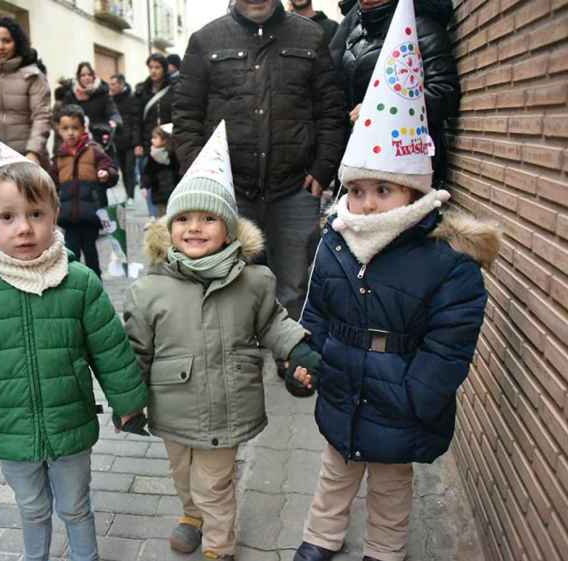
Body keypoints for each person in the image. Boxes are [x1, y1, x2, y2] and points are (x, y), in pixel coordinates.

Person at [292, 4, 498, 559]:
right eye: (357, 190)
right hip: (342, 385)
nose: (366, 203)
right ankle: (320, 537)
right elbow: (316, 310)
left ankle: (385, 550)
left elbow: (451, 341)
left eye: (383, 190)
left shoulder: (447, 260)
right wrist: (305, 358)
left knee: (390, 487)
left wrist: (418, 396)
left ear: (413, 190)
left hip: (401, 396)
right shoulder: (336, 240)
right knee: (334, 473)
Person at [0, 123, 147, 561]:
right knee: (32, 509)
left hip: (70, 425)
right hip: (10, 429)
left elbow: (109, 348)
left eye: (36, 214)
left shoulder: (79, 281)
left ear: (54, 214)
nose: (24, 228)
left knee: (76, 506)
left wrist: (128, 401)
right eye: (7, 217)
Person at [124, 123, 320, 561]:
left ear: (229, 230)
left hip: (228, 405)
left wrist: (297, 348)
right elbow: (136, 350)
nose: (195, 228)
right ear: (168, 229)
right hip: (171, 405)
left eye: (208, 218)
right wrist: (128, 400)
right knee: (183, 474)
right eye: (183, 219)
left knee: (214, 483)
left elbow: (273, 322)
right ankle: (191, 514)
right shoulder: (149, 290)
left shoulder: (254, 281)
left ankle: (219, 546)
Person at [173, 0, 347, 324]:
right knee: (228, 287)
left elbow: (331, 110)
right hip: (229, 192)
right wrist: (203, 178)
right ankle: (238, 354)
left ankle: (290, 355)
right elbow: (186, 117)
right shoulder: (205, 40)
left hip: (295, 189)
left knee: (294, 289)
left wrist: (323, 168)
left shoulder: (310, 37)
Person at [328, 0, 460, 187]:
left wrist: (378, 111)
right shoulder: (351, 33)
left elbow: (444, 92)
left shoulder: (421, 27)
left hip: (403, 166)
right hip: (358, 164)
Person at [0, 17, 51, 167]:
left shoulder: (33, 76)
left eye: (6, 41)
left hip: (27, 158)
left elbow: (41, 117)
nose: (0, 47)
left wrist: (33, 152)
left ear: (17, 42)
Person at [52, 104, 118, 278]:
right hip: (68, 216)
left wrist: (106, 173)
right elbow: (51, 184)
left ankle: (96, 282)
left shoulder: (93, 150)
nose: (70, 133)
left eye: (75, 128)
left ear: (83, 128)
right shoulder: (59, 156)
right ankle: (74, 283)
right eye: (65, 128)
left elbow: (110, 168)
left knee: (90, 252)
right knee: (71, 253)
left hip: (90, 214)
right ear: (59, 130)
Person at [61, 62, 121, 145]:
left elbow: (113, 112)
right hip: (76, 141)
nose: (87, 78)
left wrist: (115, 122)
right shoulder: (71, 95)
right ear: (78, 78)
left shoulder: (103, 94)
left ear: (93, 76)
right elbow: (62, 117)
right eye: (83, 75)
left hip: (99, 139)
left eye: (89, 75)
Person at [133, 53, 175, 163]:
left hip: (168, 144)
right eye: (151, 67)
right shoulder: (141, 92)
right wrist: (137, 143)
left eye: (157, 67)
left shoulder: (173, 89)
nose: (153, 71)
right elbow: (136, 120)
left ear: (164, 69)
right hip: (148, 144)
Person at [108, 74, 138, 202]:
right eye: (110, 84)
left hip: (130, 141)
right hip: (116, 141)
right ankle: (126, 194)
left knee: (129, 169)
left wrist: (136, 141)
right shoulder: (110, 100)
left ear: (121, 84)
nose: (111, 87)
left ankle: (130, 195)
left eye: (114, 84)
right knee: (121, 170)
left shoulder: (131, 98)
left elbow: (135, 121)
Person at [140, 124, 179, 217]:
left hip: (173, 191)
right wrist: (144, 186)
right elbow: (147, 173)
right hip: (158, 192)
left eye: (155, 138)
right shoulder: (152, 156)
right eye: (152, 138)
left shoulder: (173, 155)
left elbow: (178, 171)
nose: (152, 140)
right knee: (161, 216)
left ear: (164, 140)